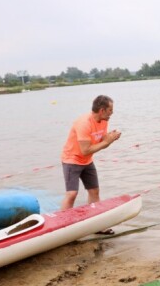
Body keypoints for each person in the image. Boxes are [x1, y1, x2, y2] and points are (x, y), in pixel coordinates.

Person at [60, 95, 121, 234]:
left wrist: (110, 138)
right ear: (102, 110)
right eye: (110, 109)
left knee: (94, 192)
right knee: (72, 194)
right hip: (72, 160)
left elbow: (100, 142)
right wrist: (106, 142)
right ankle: (63, 226)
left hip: (87, 160)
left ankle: (97, 225)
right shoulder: (84, 123)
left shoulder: (104, 121)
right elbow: (85, 150)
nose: (112, 112)